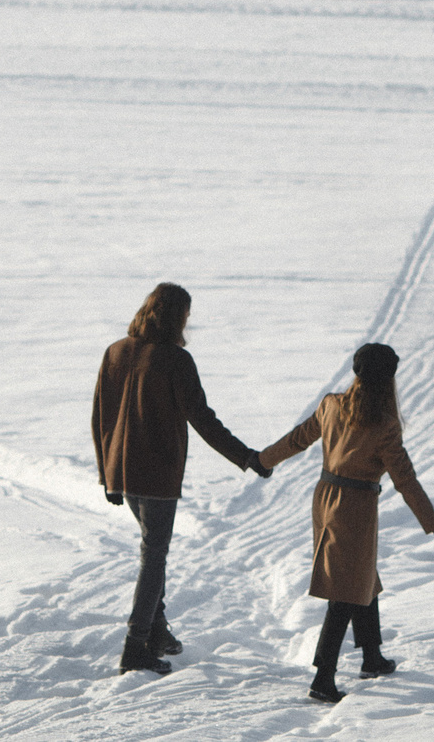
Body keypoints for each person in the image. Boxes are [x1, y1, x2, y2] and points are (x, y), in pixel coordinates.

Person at [258, 341, 434, 704]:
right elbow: (406, 480)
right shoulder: (384, 425)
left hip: (325, 498)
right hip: (355, 505)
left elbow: (299, 438)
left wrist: (264, 459)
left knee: (361, 575)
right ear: (389, 380)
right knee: (346, 591)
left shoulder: (331, 404)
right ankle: (323, 678)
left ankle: (372, 656)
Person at [90, 281, 271, 675]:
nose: (188, 322)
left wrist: (108, 474)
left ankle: (156, 631)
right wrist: (247, 457)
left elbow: (100, 415)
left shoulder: (115, 351)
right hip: (156, 474)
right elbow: (203, 420)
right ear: (175, 316)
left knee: (152, 550)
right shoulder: (174, 360)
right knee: (153, 557)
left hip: (122, 470)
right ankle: (135, 645)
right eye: (186, 316)